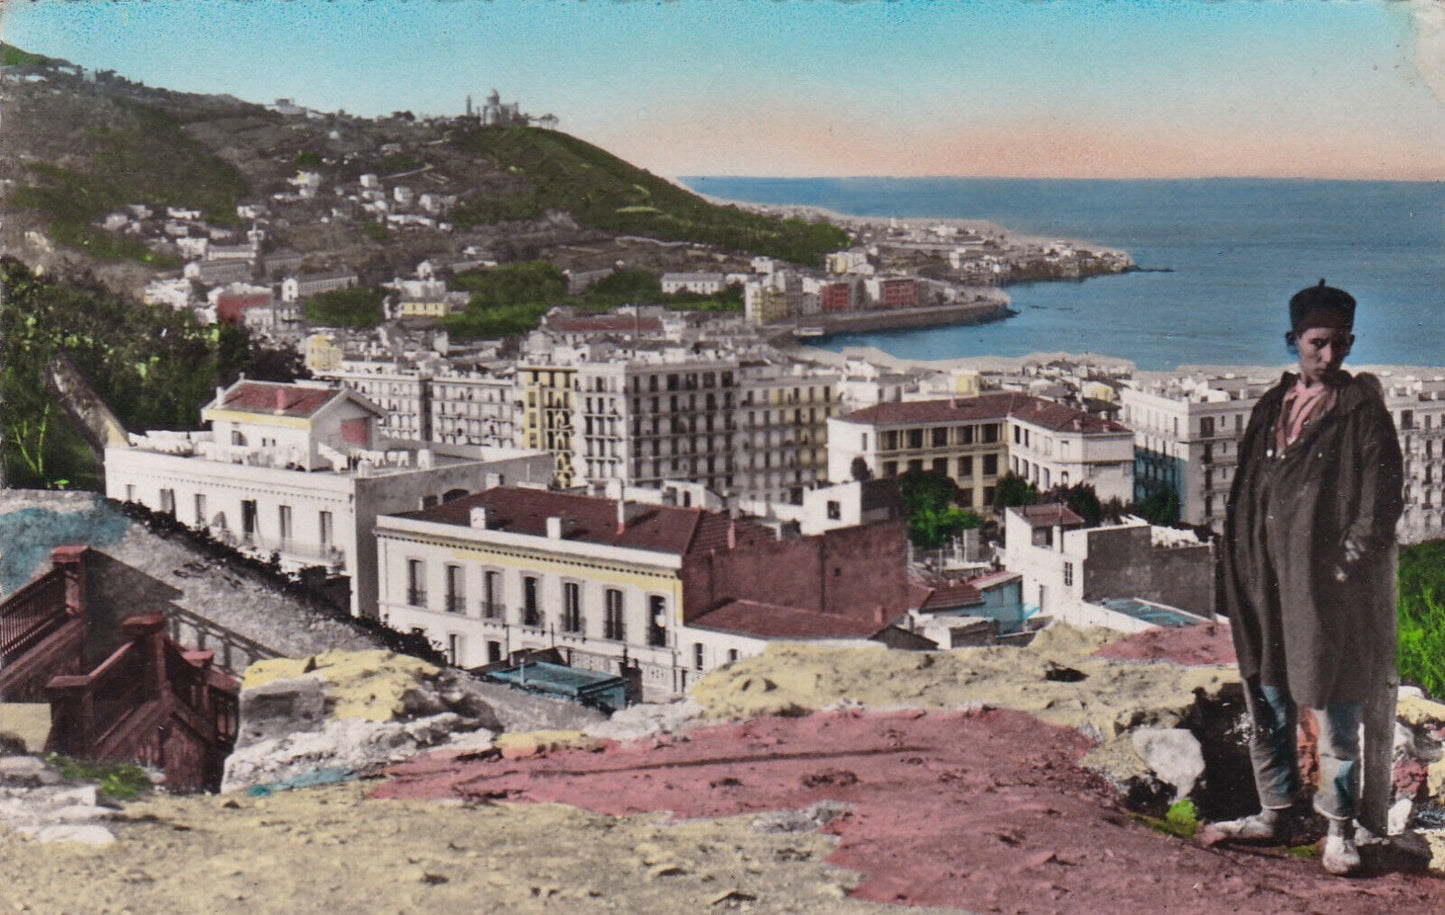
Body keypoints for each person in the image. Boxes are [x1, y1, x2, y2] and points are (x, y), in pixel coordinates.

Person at [1212, 280, 1403, 876]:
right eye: (1319, 343)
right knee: (1266, 692)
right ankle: (1273, 810)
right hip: (1262, 577)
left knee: (1334, 702)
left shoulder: (1361, 411)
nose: (1330, 356)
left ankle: (1339, 831)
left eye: (1341, 344)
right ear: (1293, 340)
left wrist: (1343, 567)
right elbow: (1245, 486)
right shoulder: (1272, 405)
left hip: (1323, 587)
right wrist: (1239, 564)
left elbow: (1381, 503)